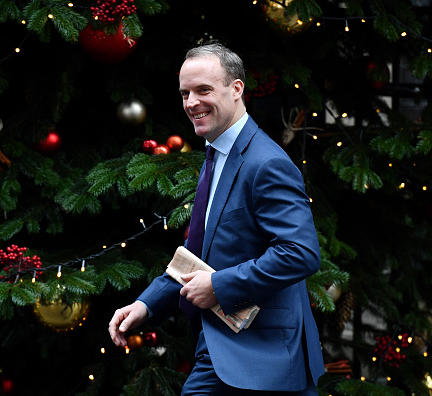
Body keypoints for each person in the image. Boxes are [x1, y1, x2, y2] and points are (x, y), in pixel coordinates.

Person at [108, 42, 325, 395]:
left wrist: (218, 287)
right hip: (224, 348)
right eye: (185, 93)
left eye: (203, 90)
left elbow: (300, 252)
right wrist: (146, 305)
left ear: (236, 89)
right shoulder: (216, 154)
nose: (191, 102)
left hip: (264, 357)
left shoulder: (266, 162)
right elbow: (197, 255)